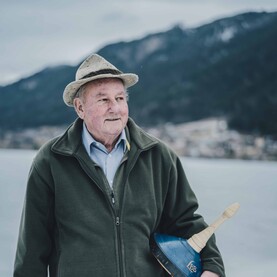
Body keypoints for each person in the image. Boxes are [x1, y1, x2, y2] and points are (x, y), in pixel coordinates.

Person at [14, 54, 225, 277]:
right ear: (80, 108)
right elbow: (32, 249)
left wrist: (212, 266)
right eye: (103, 100)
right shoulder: (51, 160)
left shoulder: (159, 156)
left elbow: (187, 221)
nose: (115, 108)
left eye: (120, 98)